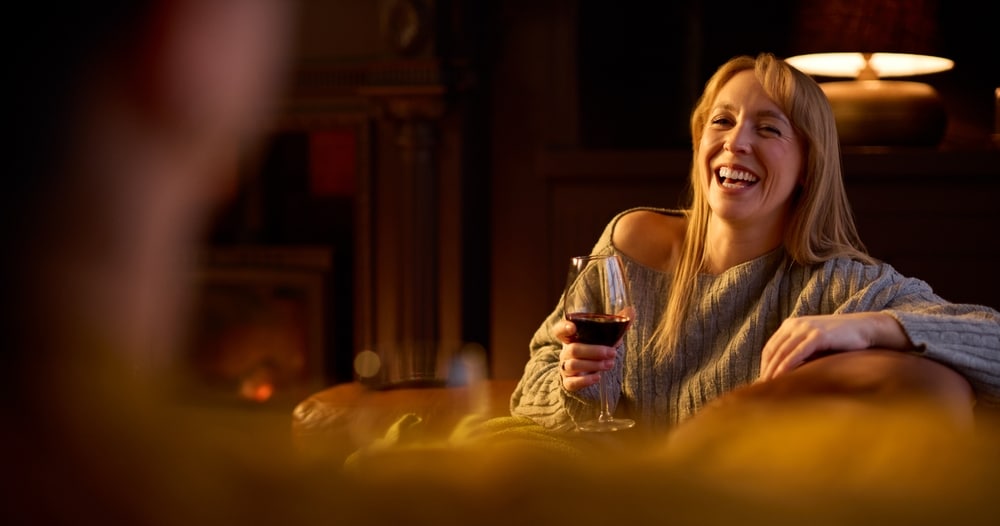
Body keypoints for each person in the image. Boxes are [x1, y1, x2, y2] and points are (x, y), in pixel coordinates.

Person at [509, 52, 1000, 433]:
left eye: (768, 128)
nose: (736, 142)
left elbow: (991, 339)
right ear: (700, 142)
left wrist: (868, 327)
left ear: (808, 165)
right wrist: (573, 385)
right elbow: (531, 385)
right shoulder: (632, 243)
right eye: (721, 121)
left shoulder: (838, 282)